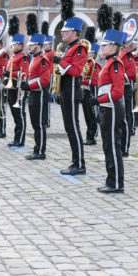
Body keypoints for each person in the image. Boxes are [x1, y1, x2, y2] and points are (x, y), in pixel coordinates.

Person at [93, 29, 127, 194]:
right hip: (107, 108)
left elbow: (117, 92)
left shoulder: (115, 63)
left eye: (105, 44)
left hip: (112, 108)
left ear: (114, 46)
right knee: (107, 145)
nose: (102, 47)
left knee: (113, 145)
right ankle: (111, 180)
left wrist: (98, 100)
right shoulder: (108, 62)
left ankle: (116, 183)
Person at [55, 17, 88, 175]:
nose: (62, 33)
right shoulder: (69, 48)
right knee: (69, 127)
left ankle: (79, 164)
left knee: (73, 127)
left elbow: (76, 70)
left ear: (74, 32)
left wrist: (59, 62)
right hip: (65, 89)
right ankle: (76, 161)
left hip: (73, 89)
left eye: (65, 31)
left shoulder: (79, 48)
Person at [22, 33, 51, 161]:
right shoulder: (34, 58)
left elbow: (45, 80)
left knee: (39, 124)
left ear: (39, 46)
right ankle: (37, 148)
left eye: (32, 44)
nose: (29, 46)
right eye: (29, 44)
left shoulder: (43, 60)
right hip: (34, 94)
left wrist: (29, 86)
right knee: (35, 123)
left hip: (39, 94)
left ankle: (40, 151)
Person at [5, 33, 29, 148]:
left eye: (14, 44)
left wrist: (10, 73)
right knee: (15, 115)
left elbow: (24, 74)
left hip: (18, 88)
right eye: (12, 44)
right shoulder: (13, 56)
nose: (12, 46)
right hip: (11, 88)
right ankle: (16, 138)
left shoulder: (23, 57)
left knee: (19, 115)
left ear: (20, 45)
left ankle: (20, 140)